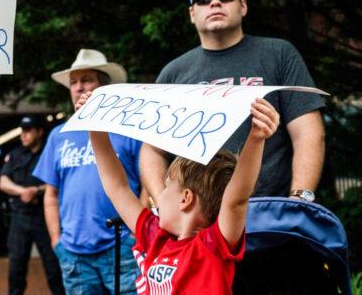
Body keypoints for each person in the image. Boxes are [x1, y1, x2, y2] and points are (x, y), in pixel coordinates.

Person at [140, 0, 325, 206]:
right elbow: (151, 150)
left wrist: (300, 201)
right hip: (198, 223)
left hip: (267, 214)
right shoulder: (173, 73)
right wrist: (163, 202)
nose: (215, 2)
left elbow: (308, 133)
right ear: (192, 13)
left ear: (243, 6)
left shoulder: (278, 54)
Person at [76, 91, 280, 293]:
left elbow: (235, 200)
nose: (159, 195)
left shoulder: (212, 246)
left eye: (166, 187)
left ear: (185, 199)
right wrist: (95, 129)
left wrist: (256, 138)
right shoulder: (156, 236)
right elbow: (117, 188)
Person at [32, 48, 142, 294]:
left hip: (122, 245)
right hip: (73, 252)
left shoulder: (129, 130)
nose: (79, 87)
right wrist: (56, 241)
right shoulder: (57, 135)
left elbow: (148, 186)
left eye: (86, 80)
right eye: (74, 82)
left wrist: (138, 233)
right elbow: (51, 194)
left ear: (103, 86)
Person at [0, 116, 64, 295]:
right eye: (23, 131)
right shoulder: (15, 154)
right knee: (16, 268)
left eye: (29, 131)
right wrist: (22, 191)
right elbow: (3, 182)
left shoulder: (49, 153)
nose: (24, 135)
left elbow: (59, 180)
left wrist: (36, 190)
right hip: (20, 217)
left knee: (53, 267)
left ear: (39, 132)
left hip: (44, 216)